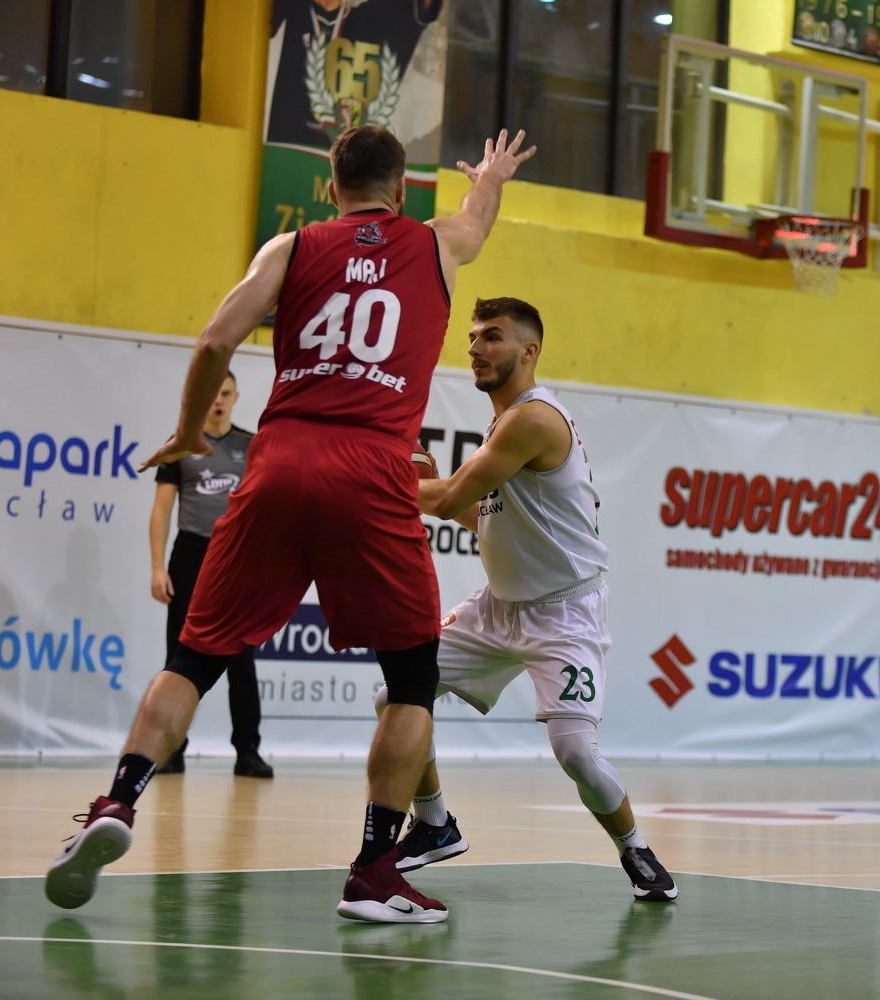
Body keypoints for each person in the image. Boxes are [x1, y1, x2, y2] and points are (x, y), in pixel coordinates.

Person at [44, 125, 536, 922]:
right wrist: (491, 175)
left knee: (193, 658)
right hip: (373, 467)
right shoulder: (435, 244)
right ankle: (374, 871)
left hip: (277, 461)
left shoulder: (290, 247)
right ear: (401, 189)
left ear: (331, 189)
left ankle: (118, 801)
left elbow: (217, 338)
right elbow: (477, 220)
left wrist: (190, 433)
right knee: (412, 680)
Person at [387, 296, 678, 903]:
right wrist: (426, 488)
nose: (476, 348)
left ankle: (635, 849)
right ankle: (435, 822)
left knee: (575, 753)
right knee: (397, 696)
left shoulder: (533, 420)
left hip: (565, 610)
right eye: (472, 337)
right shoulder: (503, 425)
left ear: (529, 350)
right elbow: (479, 517)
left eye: (492, 336)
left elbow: (446, 499)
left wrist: (394, 482)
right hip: (500, 606)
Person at [150, 371, 272, 779]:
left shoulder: (251, 445)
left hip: (236, 557)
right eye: (213, 394)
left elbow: (264, 508)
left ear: (235, 397)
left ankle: (248, 751)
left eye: (225, 394)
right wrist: (157, 567)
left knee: (241, 659)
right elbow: (162, 510)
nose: (218, 401)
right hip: (190, 555)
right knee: (179, 656)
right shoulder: (181, 444)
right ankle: (171, 750)